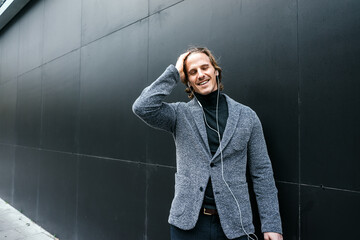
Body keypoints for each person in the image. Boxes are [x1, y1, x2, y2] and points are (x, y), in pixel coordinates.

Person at [132, 47, 283, 240]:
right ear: (188, 82)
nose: (201, 75)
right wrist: (175, 72)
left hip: (235, 227)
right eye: (193, 72)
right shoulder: (179, 114)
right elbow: (142, 107)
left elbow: (262, 172)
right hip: (188, 225)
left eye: (205, 68)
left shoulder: (247, 116)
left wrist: (272, 224)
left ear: (216, 71)